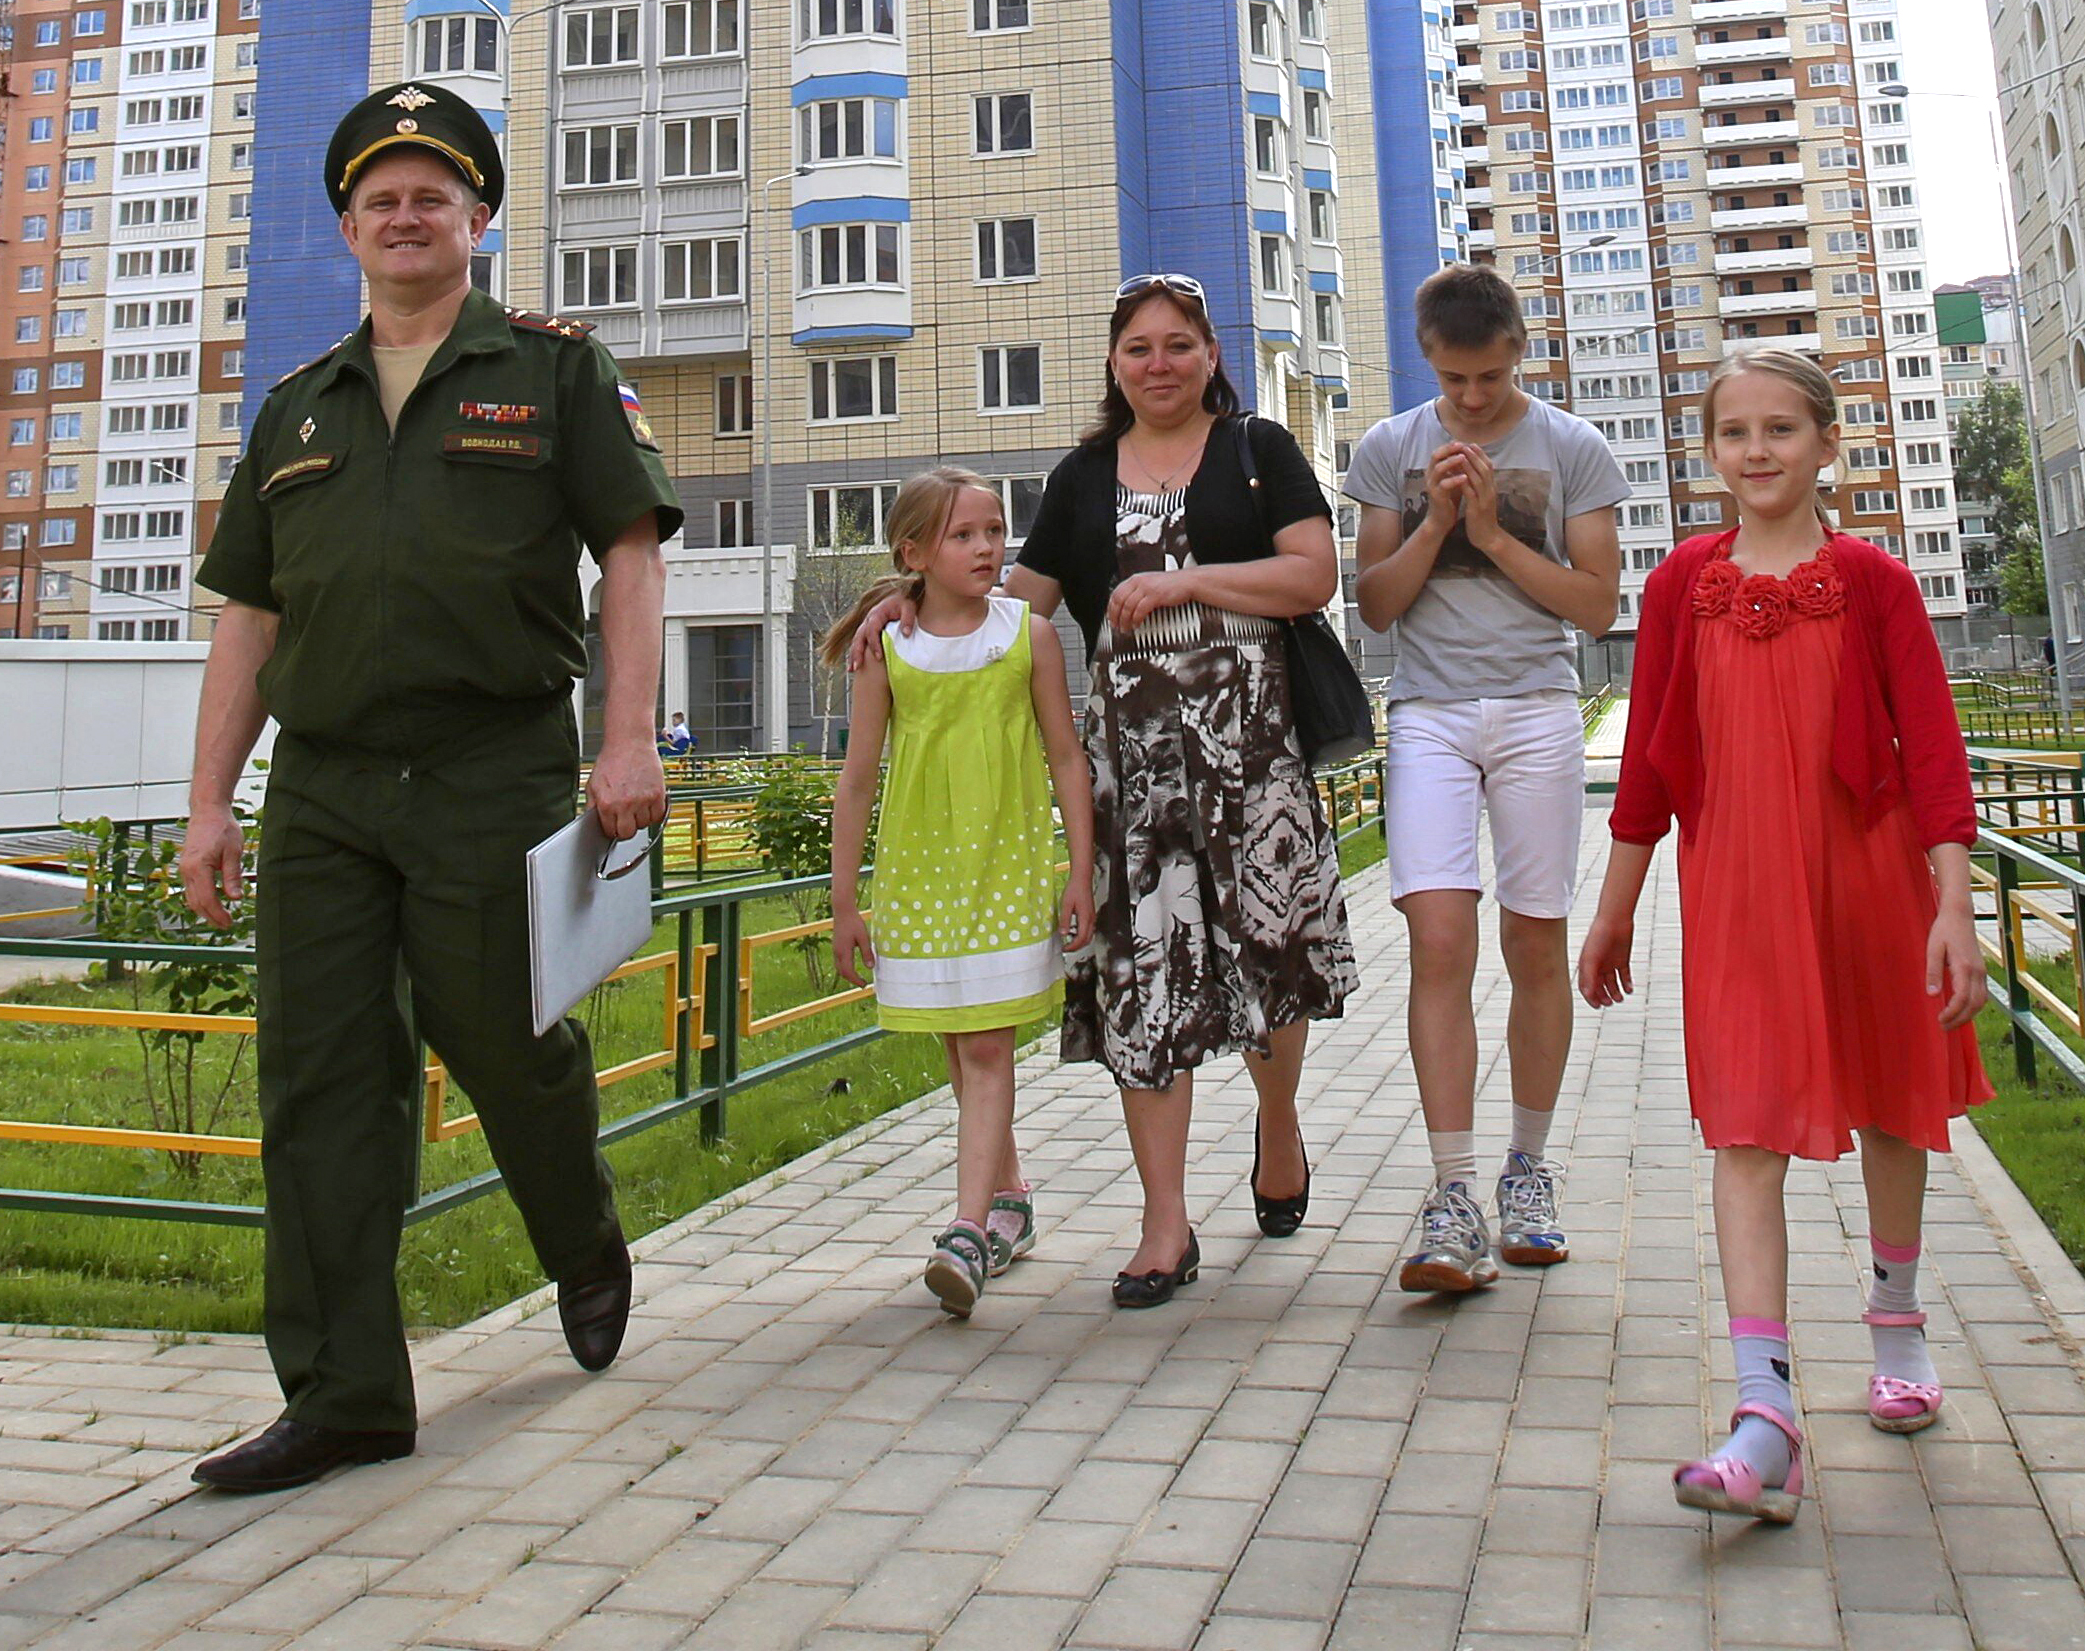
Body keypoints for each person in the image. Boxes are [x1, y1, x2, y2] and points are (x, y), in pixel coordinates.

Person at [176, 81, 681, 1493]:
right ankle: (344, 1391)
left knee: (506, 1039)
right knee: (322, 1079)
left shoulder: (553, 371)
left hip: (490, 763)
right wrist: (210, 799)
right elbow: (248, 617)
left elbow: (631, 554)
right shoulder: (296, 408)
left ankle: (578, 1231)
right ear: (347, 224)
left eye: (431, 196)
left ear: (476, 219)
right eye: (380, 197)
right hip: (326, 785)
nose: (405, 217)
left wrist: (626, 736)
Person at [851, 274, 1357, 1307]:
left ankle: (1280, 1122)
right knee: (1140, 982)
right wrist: (898, 604)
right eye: (1139, 348)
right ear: (1115, 363)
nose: (1159, 363)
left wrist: (1188, 581)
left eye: (1179, 344)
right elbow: (1008, 606)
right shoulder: (1083, 476)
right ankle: (1164, 1224)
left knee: (1273, 960)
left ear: (1212, 355)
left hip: (1252, 757)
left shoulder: (1259, 453)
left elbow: (1311, 577)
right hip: (1132, 769)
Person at [1575, 348, 1992, 1524]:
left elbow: (1935, 751)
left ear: (1826, 445)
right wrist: (1613, 905)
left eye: (1781, 430)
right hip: (1738, 893)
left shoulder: (1871, 581)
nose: (1756, 452)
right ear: (1709, 452)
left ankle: (1898, 1324)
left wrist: (1953, 904)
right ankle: (1765, 1413)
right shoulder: (1680, 589)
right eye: (1734, 433)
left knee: (1888, 1097)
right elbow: (1651, 760)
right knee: (1744, 1124)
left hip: (1870, 879)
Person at [1342, 263, 1625, 1295]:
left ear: (1519, 351)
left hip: (1539, 709)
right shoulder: (1388, 448)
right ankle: (1451, 1190)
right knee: (1439, 937)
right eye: (1455, 380)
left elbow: (1596, 608)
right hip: (1430, 713)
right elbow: (1374, 606)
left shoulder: (1572, 446)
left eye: (1492, 377)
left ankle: (1527, 1172)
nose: (1473, 398)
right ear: (1428, 358)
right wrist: (1432, 524)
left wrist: (1495, 534)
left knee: (1532, 934)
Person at [825, 469, 1095, 1319]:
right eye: (964, 535)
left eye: (994, 531)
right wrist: (844, 902)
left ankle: (967, 1229)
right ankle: (1010, 1198)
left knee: (986, 1050)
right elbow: (858, 779)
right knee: (956, 1045)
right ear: (913, 553)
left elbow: (1065, 756)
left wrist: (1079, 868)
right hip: (918, 876)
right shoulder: (889, 647)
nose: (988, 548)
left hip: (1005, 869)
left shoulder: (1029, 634)